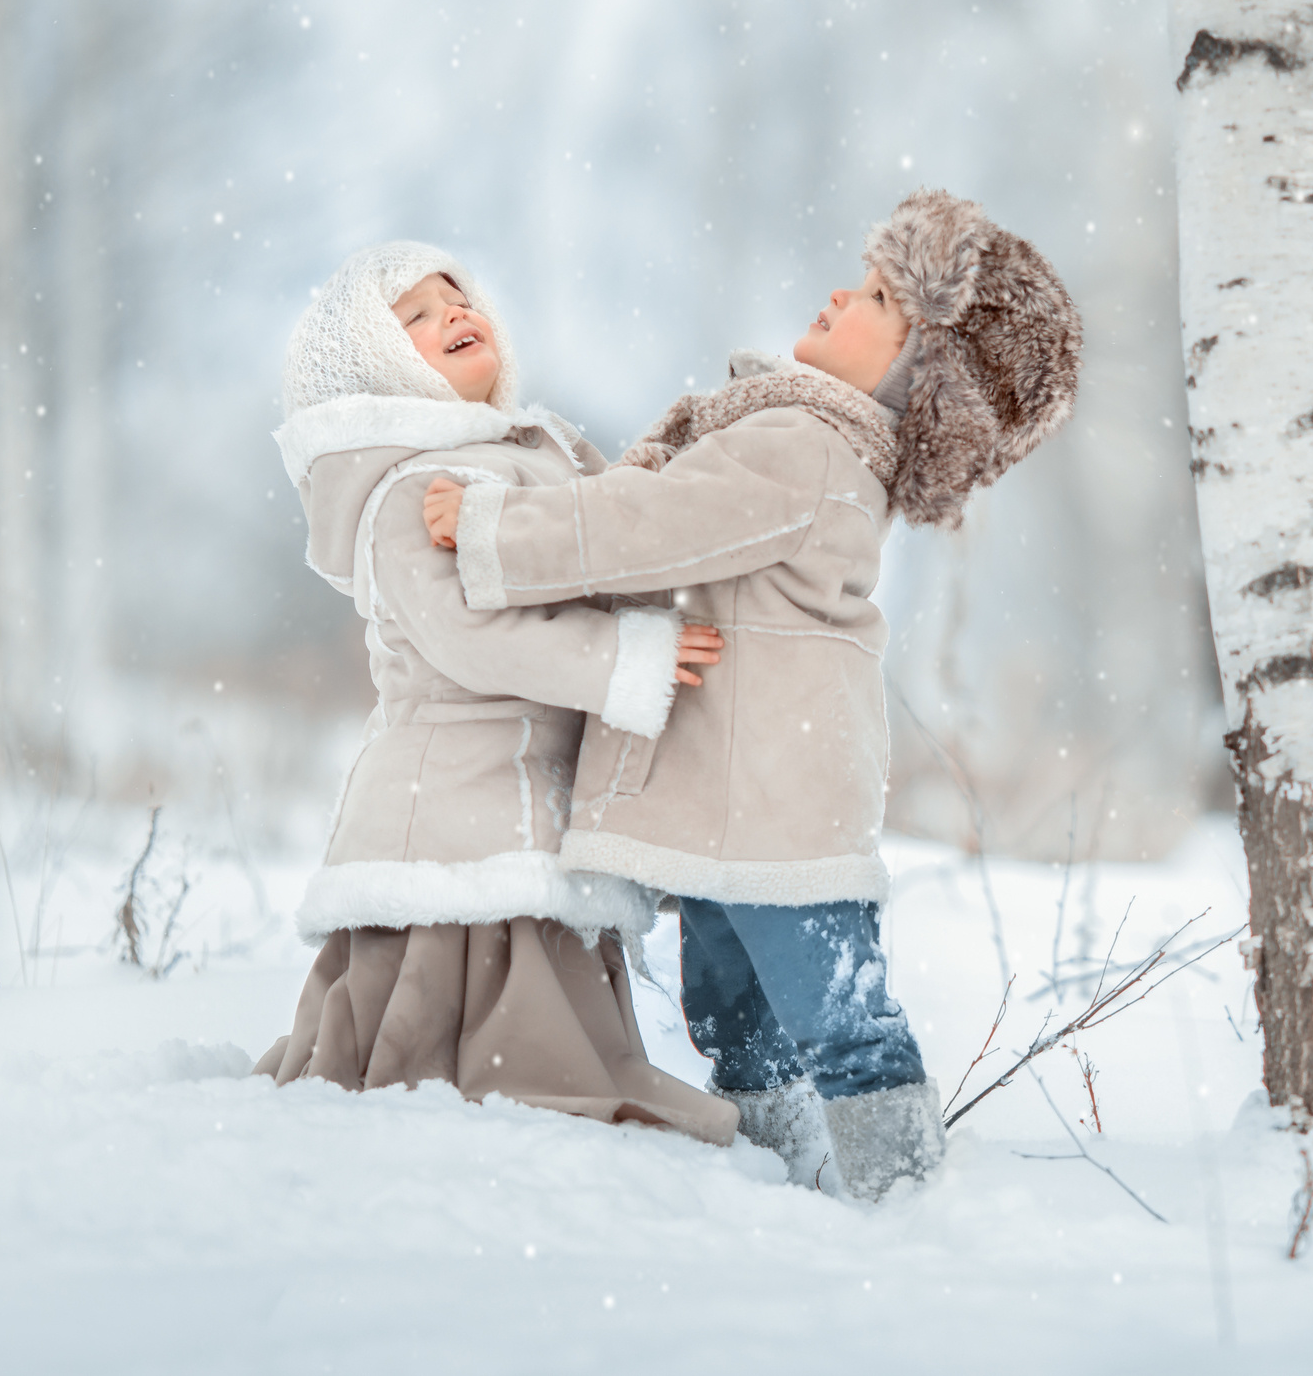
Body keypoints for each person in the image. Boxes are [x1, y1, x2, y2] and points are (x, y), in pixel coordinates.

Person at [420, 189, 1082, 1199]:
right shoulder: (801, 438)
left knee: (834, 1013)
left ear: (920, 377)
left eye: (875, 300)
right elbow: (659, 520)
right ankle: (779, 1176)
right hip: (748, 802)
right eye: (858, 277)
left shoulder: (805, 448)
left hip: (779, 805)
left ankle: (906, 1195)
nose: (837, 294)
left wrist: (493, 529)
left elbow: (651, 524)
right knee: (734, 1011)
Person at [256, 242, 737, 1144]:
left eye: (456, 297)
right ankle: (475, 1093)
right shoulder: (413, 485)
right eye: (416, 319)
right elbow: (463, 637)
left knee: (542, 971)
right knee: (461, 977)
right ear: (375, 365)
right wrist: (624, 657)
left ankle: (532, 1081)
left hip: (531, 781)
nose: (453, 314)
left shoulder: (531, 458)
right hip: (453, 791)